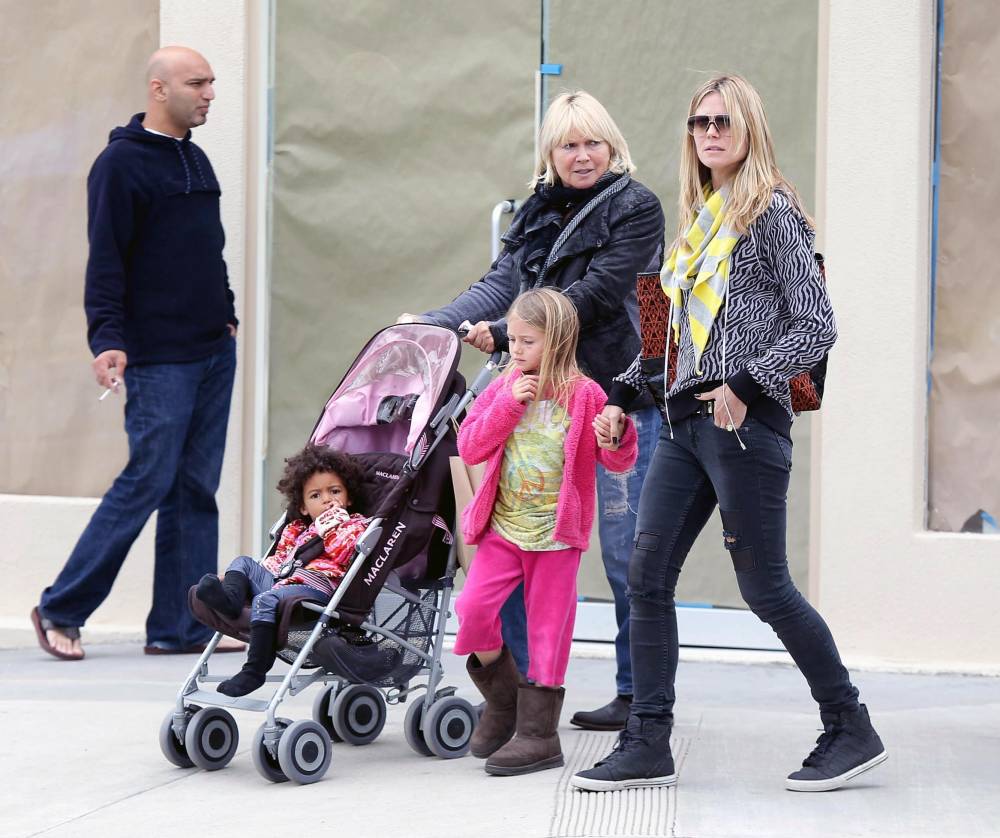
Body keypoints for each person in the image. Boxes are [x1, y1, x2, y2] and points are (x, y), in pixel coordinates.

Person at [572, 75, 887, 794]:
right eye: (699, 122)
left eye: (723, 121)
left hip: (744, 424)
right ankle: (647, 740)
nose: (710, 132)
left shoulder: (772, 212)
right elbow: (674, 338)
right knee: (648, 576)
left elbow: (817, 324)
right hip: (684, 423)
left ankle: (850, 725)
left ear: (750, 128)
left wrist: (747, 385)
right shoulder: (702, 219)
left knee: (765, 588)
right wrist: (622, 394)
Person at [400, 91, 664, 730]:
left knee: (630, 558)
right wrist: (435, 322)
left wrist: (504, 330)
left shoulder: (637, 207)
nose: (582, 155)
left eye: (593, 142)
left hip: (617, 402)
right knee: (516, 547)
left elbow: (596, 294)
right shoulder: (537, 211)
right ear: (550, 152)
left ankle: (640, 699)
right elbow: (500, 283)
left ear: (612, 146)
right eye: (569, 144)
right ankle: (519, 696)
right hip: (536, 410)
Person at [31, 47, 241, 660]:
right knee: (148, 479)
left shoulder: (195, 158)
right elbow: (106, 261)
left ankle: (183, 626)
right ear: (159, 89)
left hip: (212, 350)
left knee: (195, 489)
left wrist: (227, 313)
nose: (209, 93)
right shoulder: (120, 164)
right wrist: (107, 338)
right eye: (197, 83)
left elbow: (208, 249)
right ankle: (61, 608)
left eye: (211, 83)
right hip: (158, 358)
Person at [454, 289, 638, 776]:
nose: (514, 349)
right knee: (472, 610)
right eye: (512, 339)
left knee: (547, 632)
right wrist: (507, 407)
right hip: (503, 529)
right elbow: (469, 447)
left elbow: (618, 460)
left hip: (556, 538)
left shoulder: (586, 395)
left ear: (556, 341)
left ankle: (539, 735)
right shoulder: (504, 386)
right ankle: (505, 703)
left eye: (526, 341)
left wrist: (618, 435)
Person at [198, 444, 370, 696]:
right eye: (316, 495)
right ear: (303, 507)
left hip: (313, 588)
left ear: (349, 497)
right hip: (283, 580)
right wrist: (241, 579)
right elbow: (278, 562)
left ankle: (254, 670)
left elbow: (345, 554)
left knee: (265, 600)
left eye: (334, 491)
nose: (326, 500)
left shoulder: (354, 525)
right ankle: (231, 599)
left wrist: (333, 525)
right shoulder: (297, 529)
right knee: (243, 562)